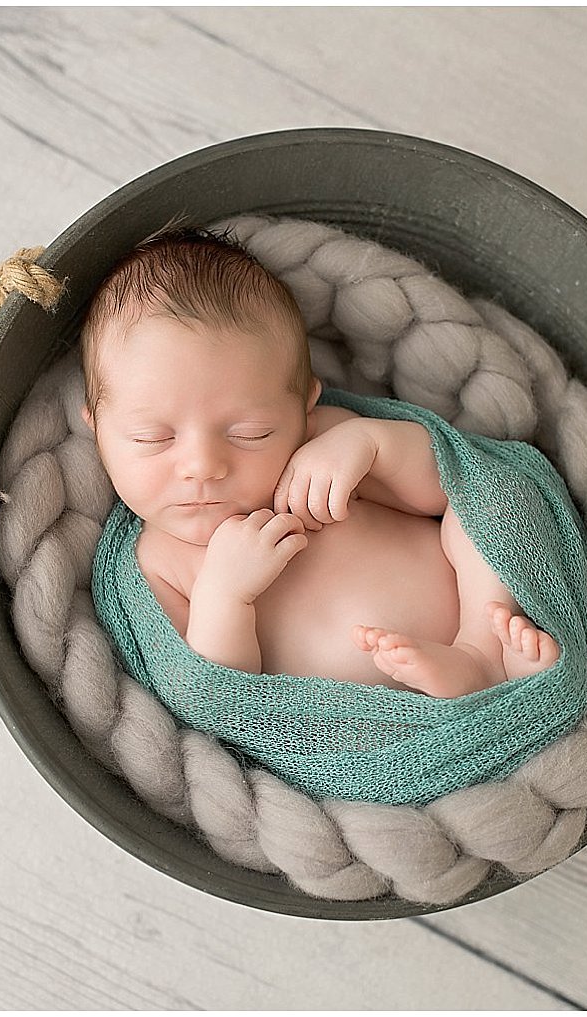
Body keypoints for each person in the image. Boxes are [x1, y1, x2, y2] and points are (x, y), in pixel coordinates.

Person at [79, 228, 559, 698]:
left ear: (303, 407)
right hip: (354, 725)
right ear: (97, 427)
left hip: (467, 621)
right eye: (153, 438)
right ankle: (487, 684)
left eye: (250, 434)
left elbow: (450, 487)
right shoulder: (158, 562)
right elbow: (216, 694)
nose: (203, 466)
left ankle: (483, 649)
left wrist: (371, 442)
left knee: (490, 504)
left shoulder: (322, 441)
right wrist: (224, 595)